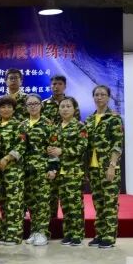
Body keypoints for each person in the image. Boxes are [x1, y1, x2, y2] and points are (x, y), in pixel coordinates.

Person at [85, 85, 124, 249]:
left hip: (108, 167)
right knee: (98, 203)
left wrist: (112, 166)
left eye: (103, 94)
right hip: (93, 168)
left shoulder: (114, 119)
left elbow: (117, 144)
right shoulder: (89, 120)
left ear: (108, 97)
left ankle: (109, 236)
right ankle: (100, 234)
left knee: (109, 202)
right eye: (96, 94)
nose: (99, 97)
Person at [47, 97, 88, 246]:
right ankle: (68, 233)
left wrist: (62, 151)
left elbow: (81, 147)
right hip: (59, 172)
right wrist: (51, 152)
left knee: (74, 204)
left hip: (73, 171)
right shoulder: (56, 127)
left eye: (68, 106)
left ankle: (77, 234)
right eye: (62, 106)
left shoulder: (80, 127)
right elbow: (52, 148)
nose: (65, 109)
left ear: (74, 109)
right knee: (64, 203)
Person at [0, 95, 26, 245]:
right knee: (2, 202)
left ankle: (15, 235)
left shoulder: (19, 125)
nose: (6, 109)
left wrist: (7, 158)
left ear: (14, 109)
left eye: (9, 107)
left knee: (14, 202)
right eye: (3, 107)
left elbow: (21, 146)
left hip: (13, 170)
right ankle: (5, 232)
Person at [21, 94, 57, 246]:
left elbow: (53, 147)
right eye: (30, 104)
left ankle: (42, 232)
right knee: (31, 202)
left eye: (36, 103)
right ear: (26, 107)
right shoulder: (22, 125)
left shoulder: (48, 124)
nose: (33, 106)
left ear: (41, 105)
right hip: (26, 170)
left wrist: (53, 168)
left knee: (42, 201)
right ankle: (34, 231)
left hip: (42, 169)